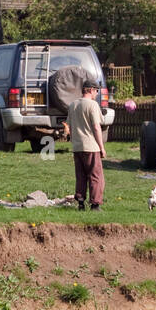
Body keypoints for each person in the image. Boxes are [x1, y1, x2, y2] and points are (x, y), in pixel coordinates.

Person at [68, 79, 106, 211]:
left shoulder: (73, 105)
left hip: (77, 147)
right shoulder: (92, 105)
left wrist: (74, 142)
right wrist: (101, 147)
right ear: (90, 90)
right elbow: (96, 127)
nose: (96, 93)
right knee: (96, 176)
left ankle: (80, 203)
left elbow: (70, 127)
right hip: (91, 146)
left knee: (81, 176)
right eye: (96, 90)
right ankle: (95, 204)